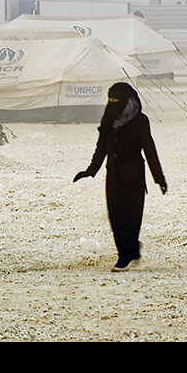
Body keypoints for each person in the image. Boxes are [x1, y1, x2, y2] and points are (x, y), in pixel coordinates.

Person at [72, 82, 167, 272]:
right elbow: (101, 149)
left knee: (130, 218)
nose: (111, 104)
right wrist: (90, 171)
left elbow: (149, 150)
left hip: (133, 178)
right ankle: (130, 250)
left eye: (116, 100)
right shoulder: (109, 120)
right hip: (113, 177)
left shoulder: (140, 121)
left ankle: (124, 257)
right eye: (110, 100)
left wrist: (159, 178)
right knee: (115, 217)